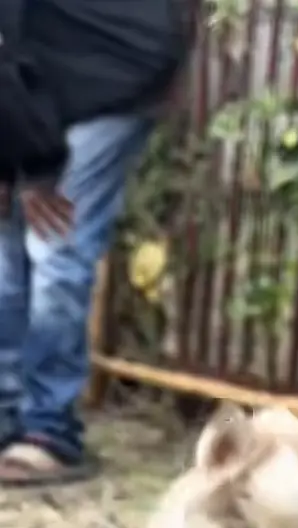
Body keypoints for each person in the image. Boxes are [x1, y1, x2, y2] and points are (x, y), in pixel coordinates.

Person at [0, 0, 196, 486]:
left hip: (113, 77)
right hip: (44, 79)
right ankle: (8, 416)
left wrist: (32, 171)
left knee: (54, 246)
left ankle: (50, 432)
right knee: (6, 249)